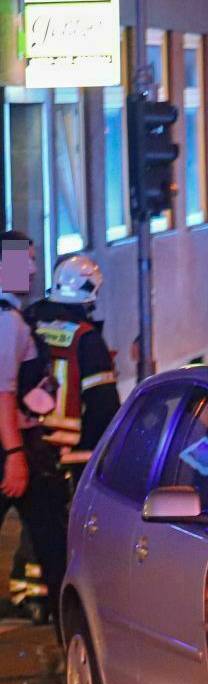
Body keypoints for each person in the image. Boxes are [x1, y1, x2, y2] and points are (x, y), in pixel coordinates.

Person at [0, 230, 70, 634]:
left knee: (50, 537)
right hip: (15, 446)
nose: (30, 268)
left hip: (16, 442)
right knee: (53, 543)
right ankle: (70, 630)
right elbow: (3, 393)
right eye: (22, 259)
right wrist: (14, 456)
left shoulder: (13, 318)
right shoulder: (7, 322)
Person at [25, 254, 121, 468]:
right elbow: (103, 407)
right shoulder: (86, 338)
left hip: (26, 448)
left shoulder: (27, 322)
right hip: (71, 457)